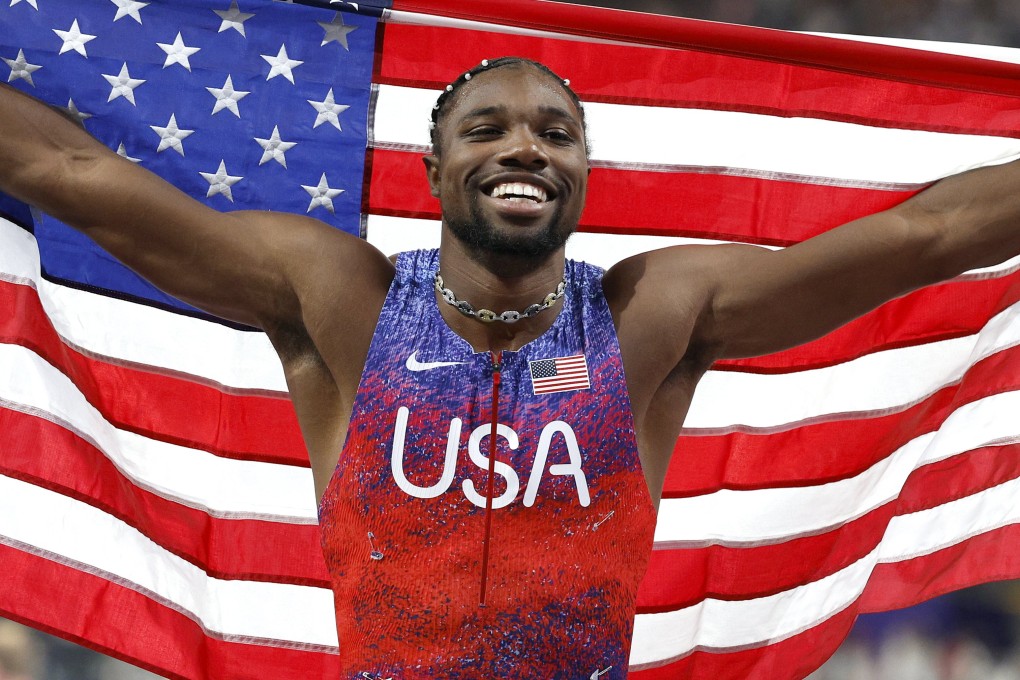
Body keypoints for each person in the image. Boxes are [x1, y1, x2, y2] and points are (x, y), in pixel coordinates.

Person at [1, 55, 1019, 677]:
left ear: (584, 171)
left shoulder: (647, 318)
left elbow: (927, 235)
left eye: (554, 133)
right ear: (435, 168)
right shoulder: (340, 298)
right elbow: (73, 175)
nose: (524, 148)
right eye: (486, 129)